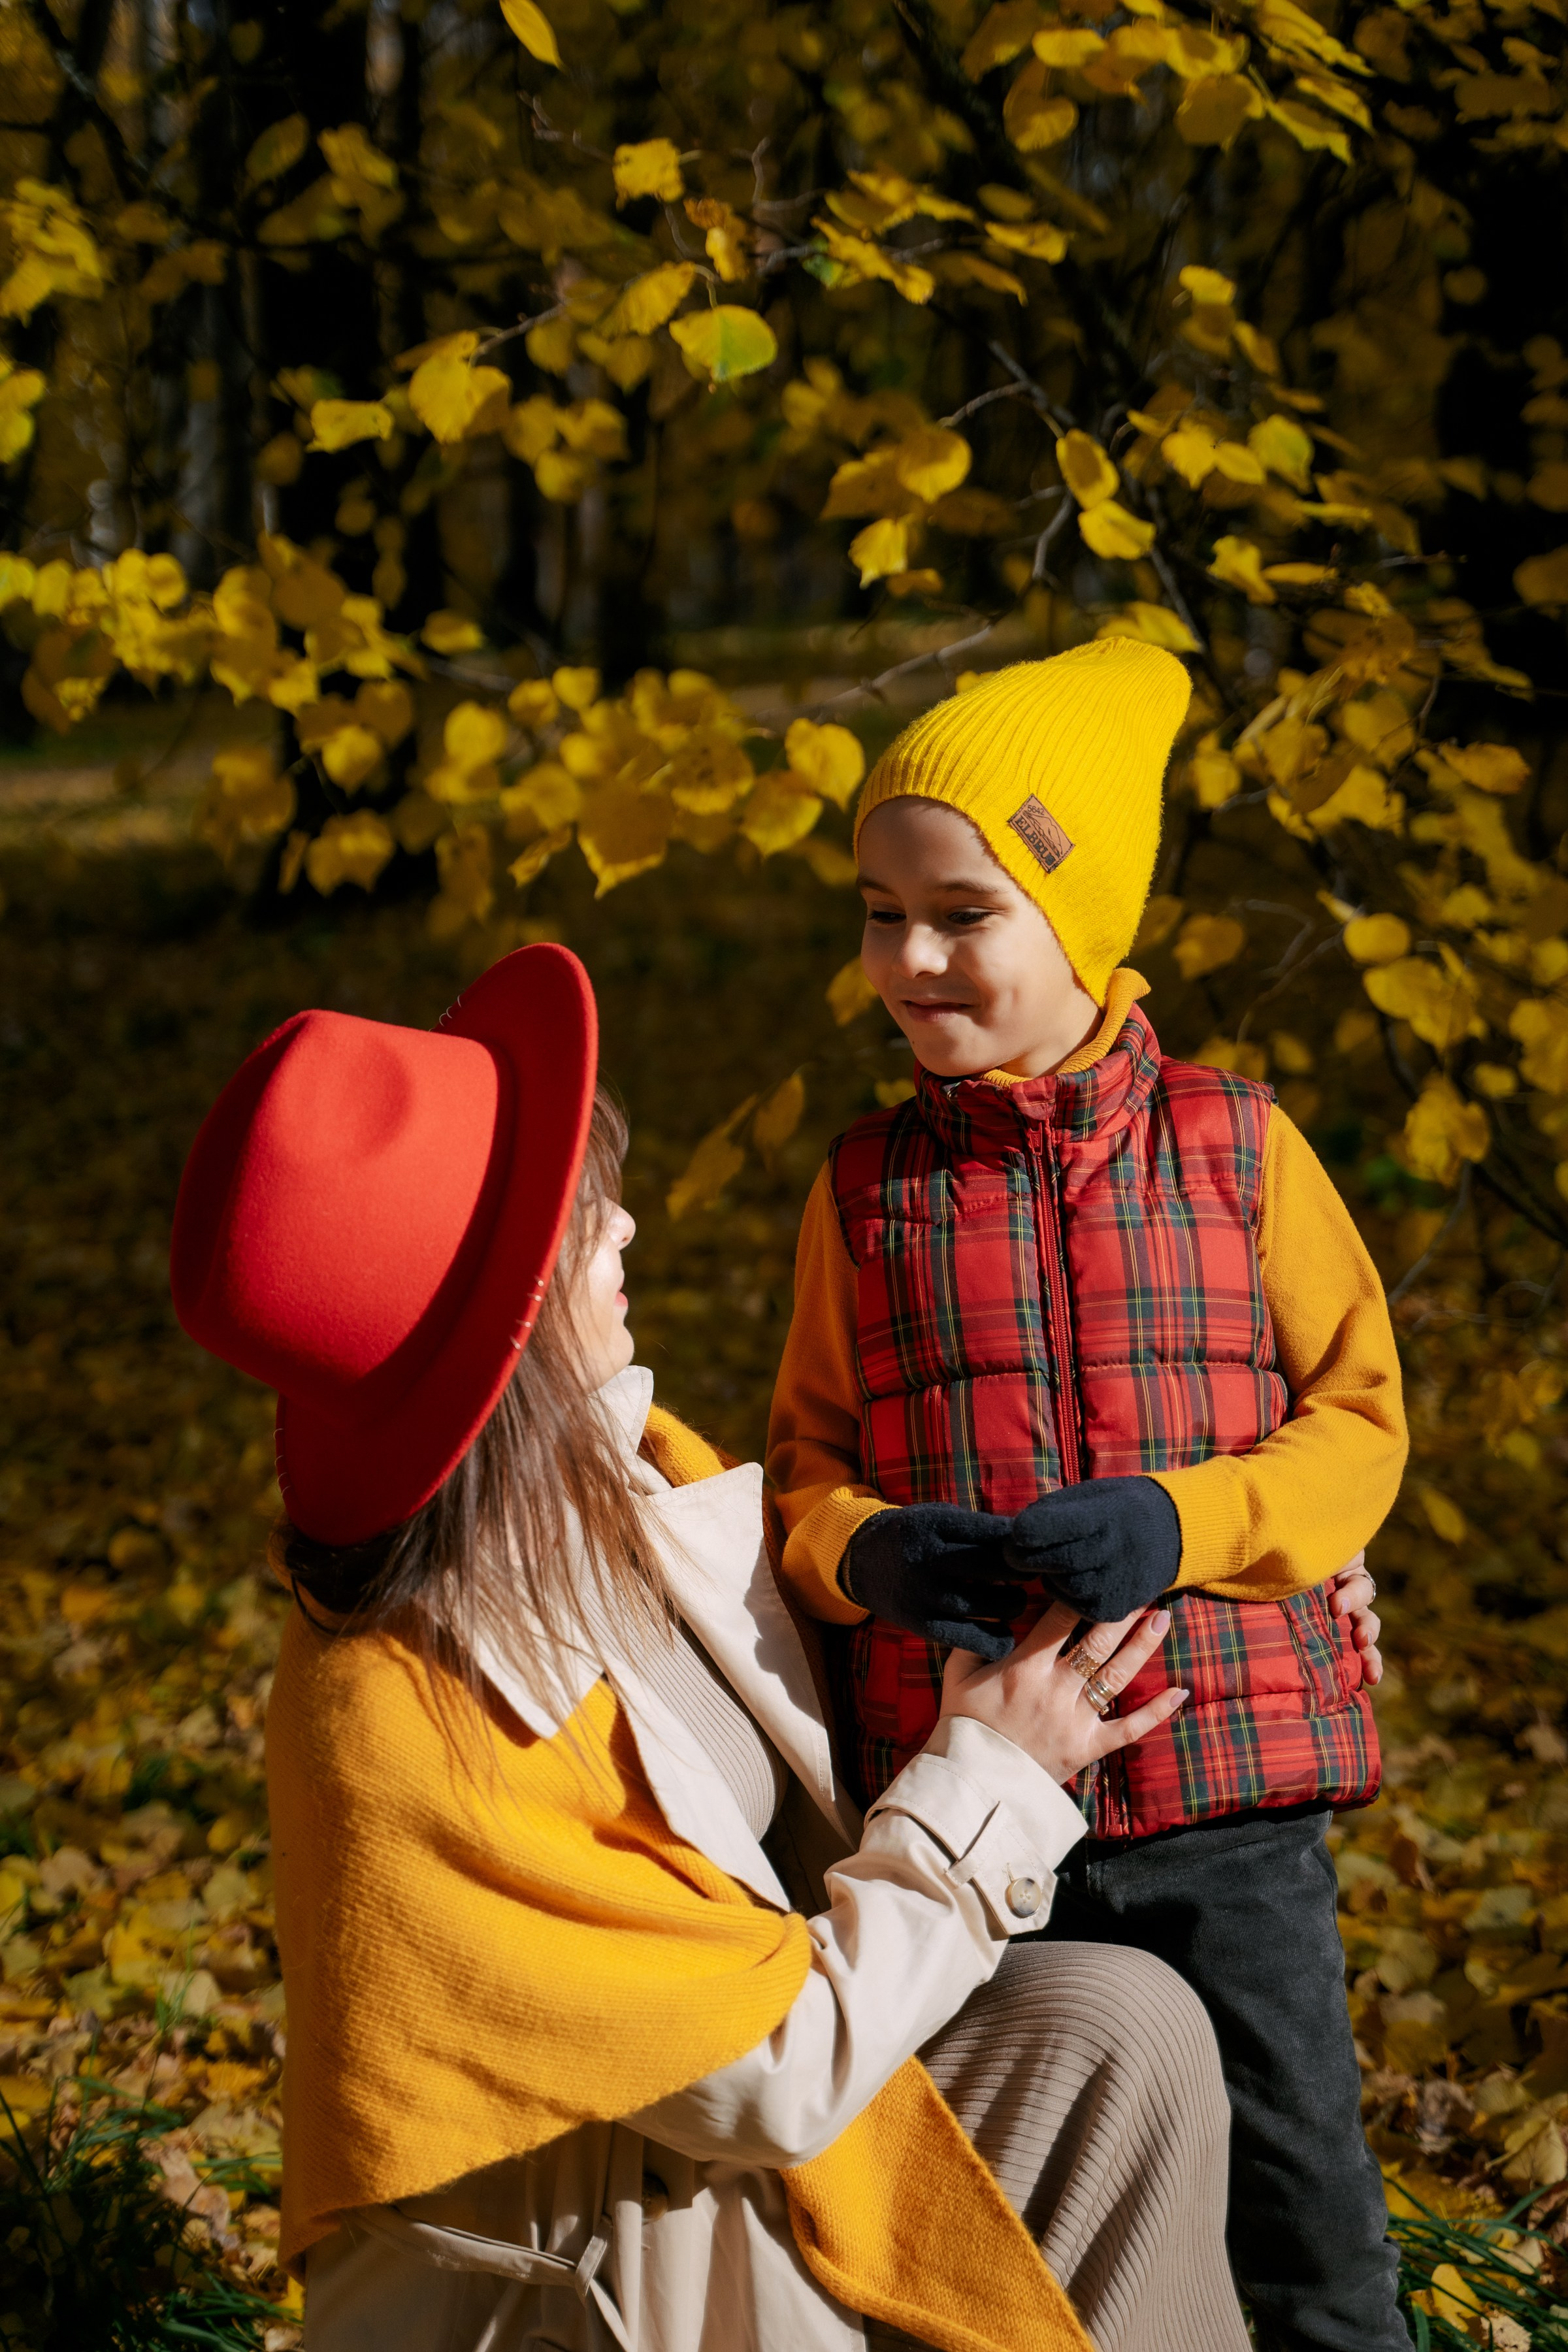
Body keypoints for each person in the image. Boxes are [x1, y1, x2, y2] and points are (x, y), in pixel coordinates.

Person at [167, 939, 1370, 2352]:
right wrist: (994, 1772)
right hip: (594, 2277)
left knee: (1122, 2024)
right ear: (492, 1312)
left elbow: (801, 1713)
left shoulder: (622, 1483)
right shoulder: (396, 1710)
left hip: (713, 2154)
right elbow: (765, 2080)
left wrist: (1261, 1587)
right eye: (582, 1219)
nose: (627, 1231)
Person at [766, 642, 1412, 2352]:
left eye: (962, 912)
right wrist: (872, 1555)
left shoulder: (1238, 1149)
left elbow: (1361, 1426)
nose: (909, 957)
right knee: (1025, 2230)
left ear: (1080, 918)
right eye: (878, 912)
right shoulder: (863, 1192)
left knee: (1304, 2221)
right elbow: (805, 1471)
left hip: (1224, 1805)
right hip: (977, 1803)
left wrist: (1185, 1524)